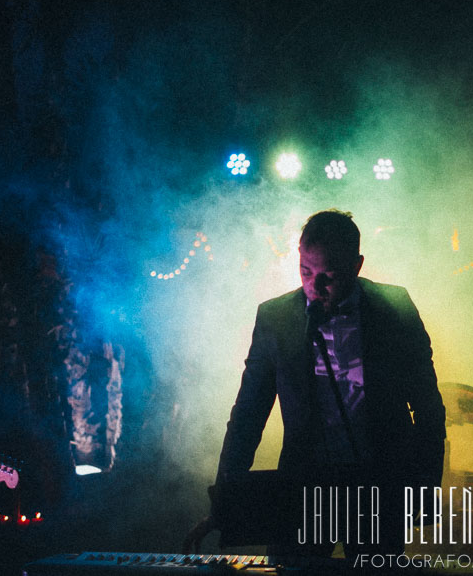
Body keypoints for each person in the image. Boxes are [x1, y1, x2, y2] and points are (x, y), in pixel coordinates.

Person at [186, 209, 445, 559]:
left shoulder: (394, 307)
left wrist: (423, 494)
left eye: (329, 276)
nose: (313, 287)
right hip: (301, 490)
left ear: (357, 266)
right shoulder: (275, 317)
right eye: (305, 271)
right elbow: (247, 415)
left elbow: (428, 408)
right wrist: (225, 503)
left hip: (377, 488)